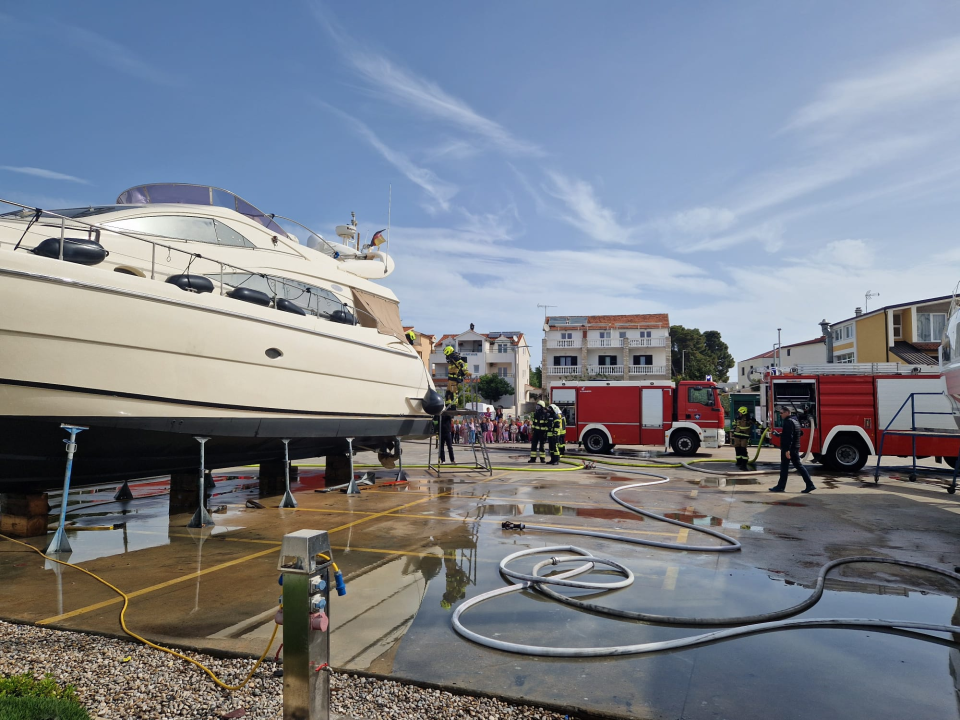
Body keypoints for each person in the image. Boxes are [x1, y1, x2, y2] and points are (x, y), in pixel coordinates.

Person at [769, 406, 815, 493]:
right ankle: (810, 484)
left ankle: (780, 487)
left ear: (787, 412)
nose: (780, 414)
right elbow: (798, 433)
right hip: (795, 447)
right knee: (799, 466)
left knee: (784, 467)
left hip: (789, 449)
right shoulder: (795, 421)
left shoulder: (788, 422)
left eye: (781, 413)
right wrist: (779, 434)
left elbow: (789, 437)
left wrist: (787, 450)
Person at [731, 406, 758, 470]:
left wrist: (763, 428)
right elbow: (733, 422)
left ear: (744, 412)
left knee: (743, 450)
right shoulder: (737, 417)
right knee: (737, 448)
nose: (739, 413)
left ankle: (744, 464)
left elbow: (757, 423)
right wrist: (734, 426)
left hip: (744, 436)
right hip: (737, 436)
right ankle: (739, 461)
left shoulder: (749, 418)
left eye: (740, 412)